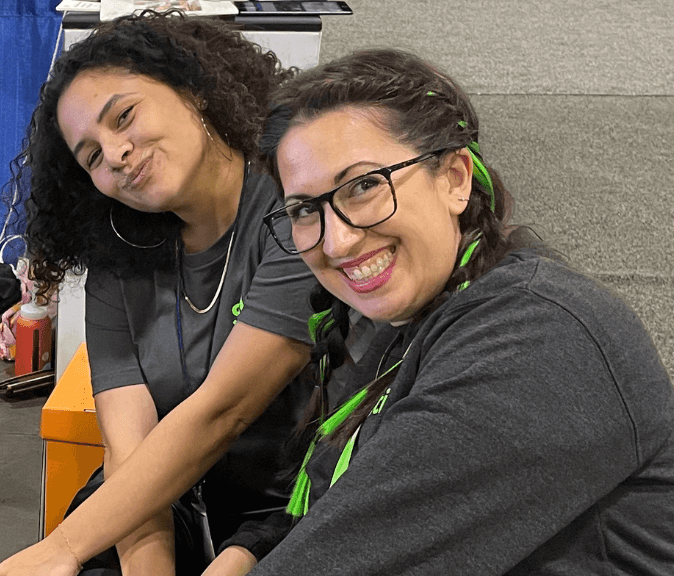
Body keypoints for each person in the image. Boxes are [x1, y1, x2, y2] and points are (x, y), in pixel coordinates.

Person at [209, 48, 674, 575]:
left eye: (364, 186)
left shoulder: (540, 341)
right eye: (304, 210)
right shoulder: (399, 325)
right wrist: (249, 548)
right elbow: (337, 498)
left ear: (454, 178)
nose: (335, 241)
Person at [0, 11, 319, 576]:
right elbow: (131, 452)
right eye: (92, 156)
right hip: (173, 495)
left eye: (124, 117)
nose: (116, 154)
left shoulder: (295, 205)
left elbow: (221, 412)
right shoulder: (117, 250)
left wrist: (62, 548)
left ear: (192, 89)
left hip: (296, 499)